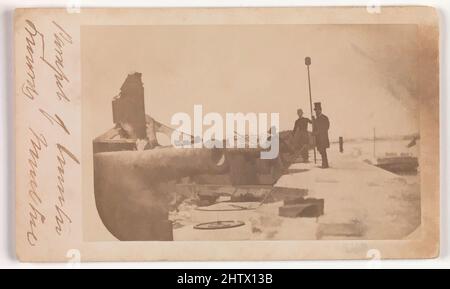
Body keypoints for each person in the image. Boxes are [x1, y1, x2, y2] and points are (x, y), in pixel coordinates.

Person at [312, 102, 330, 168]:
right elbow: (314, 129)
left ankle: (325, 164)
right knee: (320, 150)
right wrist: (313, 132)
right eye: (315, 111)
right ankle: (325, 163)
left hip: (323, 138)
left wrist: (317, 132)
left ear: (320, 110)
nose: (316, 112)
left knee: (323, 151)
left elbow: (326, 127)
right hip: (318, 139)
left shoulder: (325, 118)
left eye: (317, 110)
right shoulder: (316, 120)